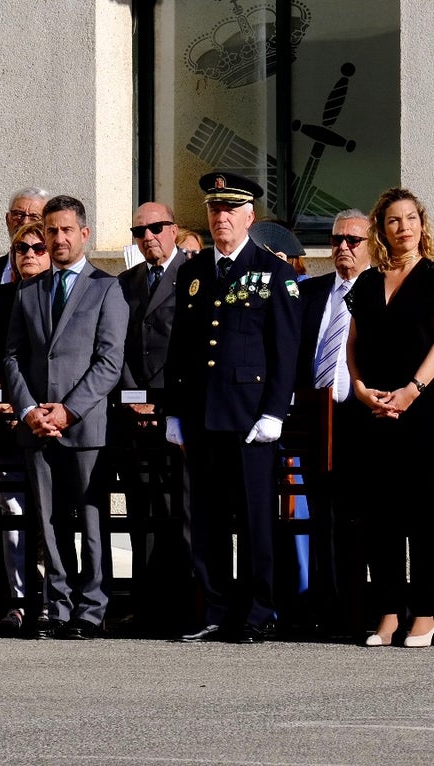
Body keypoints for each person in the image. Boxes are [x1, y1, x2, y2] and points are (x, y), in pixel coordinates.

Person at [164, 172, 302, 644]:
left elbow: (285, 351)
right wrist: (175, 413)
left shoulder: (274, 272)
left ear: (249, 216)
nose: (221, 217)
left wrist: (274, 413)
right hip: (203, 414)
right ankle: (217, 608)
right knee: (207, 518)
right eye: (213, 209)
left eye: (230, 209)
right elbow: (181, 348)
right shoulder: (194, 271)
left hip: (249, 417)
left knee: (255, 518)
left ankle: (259, 610)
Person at [3, 194, 128, 640]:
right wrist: (29, 409)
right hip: (37, 426)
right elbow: (13, 356)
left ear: (84, 234)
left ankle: (92, 609)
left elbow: (109, 362)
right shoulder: (29, 288)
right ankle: (58, 605)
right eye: (51, 230)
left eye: (66, 230)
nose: (57, 238)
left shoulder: (106, 287)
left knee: (92, 523)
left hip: (85, 425)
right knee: (50, 523)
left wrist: (68, 409)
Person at [347, 188, 434, 648]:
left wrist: (413, 391)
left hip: (422, 412)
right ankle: (386, 612)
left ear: (422, 224)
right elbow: (353, 346)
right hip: (375, 411)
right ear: (381, 229)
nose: (403, 227)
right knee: (380, 516)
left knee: (422, 516)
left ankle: (424, 612)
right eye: (393, 221)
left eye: (410, 219)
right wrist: (360, 389)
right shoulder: (366, 282)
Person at [113, 203, 193, 636]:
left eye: (156, 228)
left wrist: (163, 402)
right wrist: (132, 397)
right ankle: (145, 605)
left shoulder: (195, 275)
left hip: (176, 411)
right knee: (140, 510)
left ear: (174, 230)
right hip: (133, 413)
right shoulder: (126, 283)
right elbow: (116, 345)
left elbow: (195, 344)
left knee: (180, 508)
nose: (148, 237)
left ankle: (181, 604)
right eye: (139, 231)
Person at [293, 209, 373, 638]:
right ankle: (321, 607)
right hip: (314, 417)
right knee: (320, 514)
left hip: (359, 418)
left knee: (355, 516)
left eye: (353, 240)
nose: (343, 247)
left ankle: (354, 609)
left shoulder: (378, 291)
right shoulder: (313, 291)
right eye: (337, 238)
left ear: (370, 243)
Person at [0, 221, 50, 634]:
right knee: (11, 509)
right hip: (7, 417)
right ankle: (18, 601)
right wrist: (3, 397)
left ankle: (48, 599)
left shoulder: (62, 295)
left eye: (37, 247)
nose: (28, 254)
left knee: (49, 512)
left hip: (49, 418)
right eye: (20, 248)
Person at [0, 187, 52, 290]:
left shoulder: (59, 276)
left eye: (34, 217)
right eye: (18, 214)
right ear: (8, 220)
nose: (25, 222)